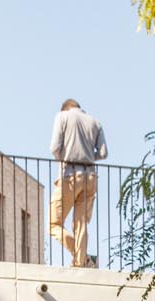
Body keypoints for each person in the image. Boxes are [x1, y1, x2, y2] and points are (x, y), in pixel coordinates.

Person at [48, 98, 107, 268]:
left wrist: (66, 158)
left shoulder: (62, 117)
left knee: (54, 224)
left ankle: (82, 257)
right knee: (80, 224)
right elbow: (103, 153)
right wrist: (87, 157)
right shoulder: (95, 122)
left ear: (65, 109)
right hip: (90, 176)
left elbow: (54, 148)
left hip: (69, 174)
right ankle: (82, 261)